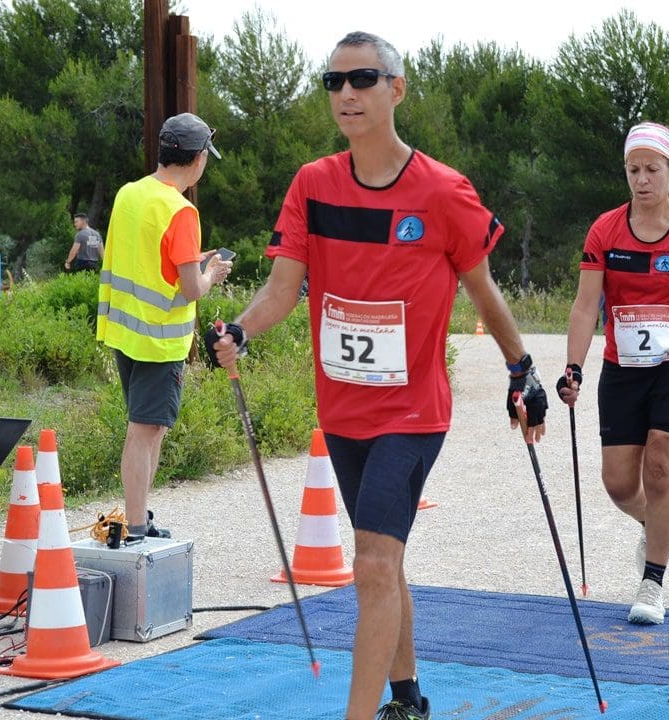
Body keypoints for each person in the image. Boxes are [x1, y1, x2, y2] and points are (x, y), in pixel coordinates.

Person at [207, 31, 547, 720]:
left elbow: (483, 292)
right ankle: (407, 698)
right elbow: (281, 289)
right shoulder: (313, 184)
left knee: (370, 564)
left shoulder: (444, 191)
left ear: (396, 88)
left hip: (413, 413)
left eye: (362, 78)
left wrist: (522, 371)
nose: (346, 94)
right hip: (344, 412)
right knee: (382, 563)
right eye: (332, 82)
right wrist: (240, 328)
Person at [557, 121, 669, 627]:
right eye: (633, 170)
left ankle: (652, 582)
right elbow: (584, 305)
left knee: (659, 470)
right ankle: (653, 523)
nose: (642, 179)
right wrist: (573, 368)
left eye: (652, 169)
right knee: (618, 484)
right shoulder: (605, 231)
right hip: (622, 370)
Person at [96, 112, 233, 543]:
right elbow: (192, 288)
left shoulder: (129, 193)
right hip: (159, 341)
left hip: (124, 331)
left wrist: (191, 261)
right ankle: (136, 526)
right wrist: (213, 273)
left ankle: (139, 517)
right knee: (145, 432)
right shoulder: (182, 211)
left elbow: (148, 258)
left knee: (148, 430)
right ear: (196, 160)